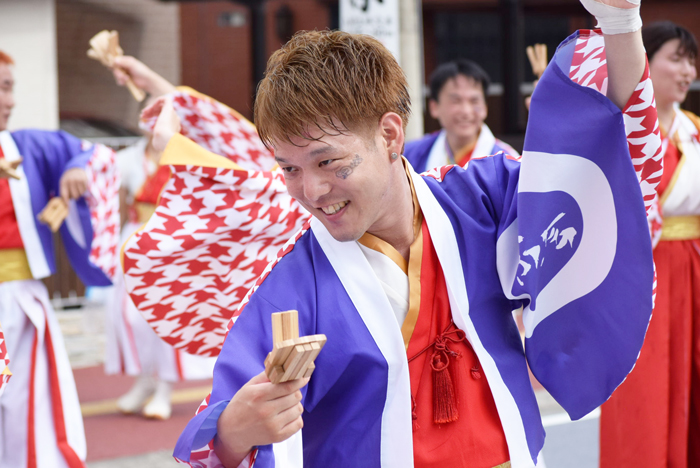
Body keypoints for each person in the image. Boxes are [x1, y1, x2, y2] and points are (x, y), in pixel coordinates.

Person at [124, 0, 662, 465]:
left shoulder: (480, 199)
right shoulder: (289, 281)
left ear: (389, 134)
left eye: (329, 162)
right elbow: (216, 429)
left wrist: (620, 21)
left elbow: (598, 155)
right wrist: (236, 430)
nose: (312, 191)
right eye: (288, 168)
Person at [0, 50, 119, 467]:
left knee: (25, 408)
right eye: (2, 87)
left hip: (18, 297)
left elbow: (92, 153)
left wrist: (77, 168)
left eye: (10, 86)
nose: (9, 100)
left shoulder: (25, 146)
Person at [599, 21, 700, 468]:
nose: (687, 70)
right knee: (644, 386)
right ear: (645, 60)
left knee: (689, 378)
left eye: (691, 60)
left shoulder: (693, 131)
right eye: (676, 58)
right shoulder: (618, 129)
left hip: (692, 269)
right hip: (639, 274)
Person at [103, 58, 215, 420]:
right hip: (135, 242)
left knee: (166, 317)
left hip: (172, 246)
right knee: (129, 317)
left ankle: (164, 388)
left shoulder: (186, 158)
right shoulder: (127, 159)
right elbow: (108, 193)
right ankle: (143, 382)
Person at [404, 59, 519, 172]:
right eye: (456, 101)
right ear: (434, 107)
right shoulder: (412, 154)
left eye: (474, 101)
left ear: (485, 107)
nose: (466, 111)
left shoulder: (508, 161)